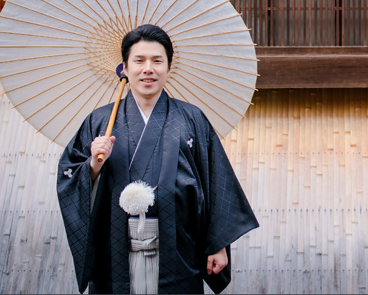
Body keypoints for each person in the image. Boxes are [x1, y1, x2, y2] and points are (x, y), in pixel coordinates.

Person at [57, 24, 259, 294]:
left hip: (178, 246)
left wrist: (217, 244)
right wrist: (93, 164)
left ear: (168, 67)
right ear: (125, 69)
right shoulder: (100, 121)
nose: (148, 69)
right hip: (114, 246)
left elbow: (216, 180)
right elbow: (69, 178)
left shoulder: (191, 118)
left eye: (157, 61)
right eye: (139, 61)